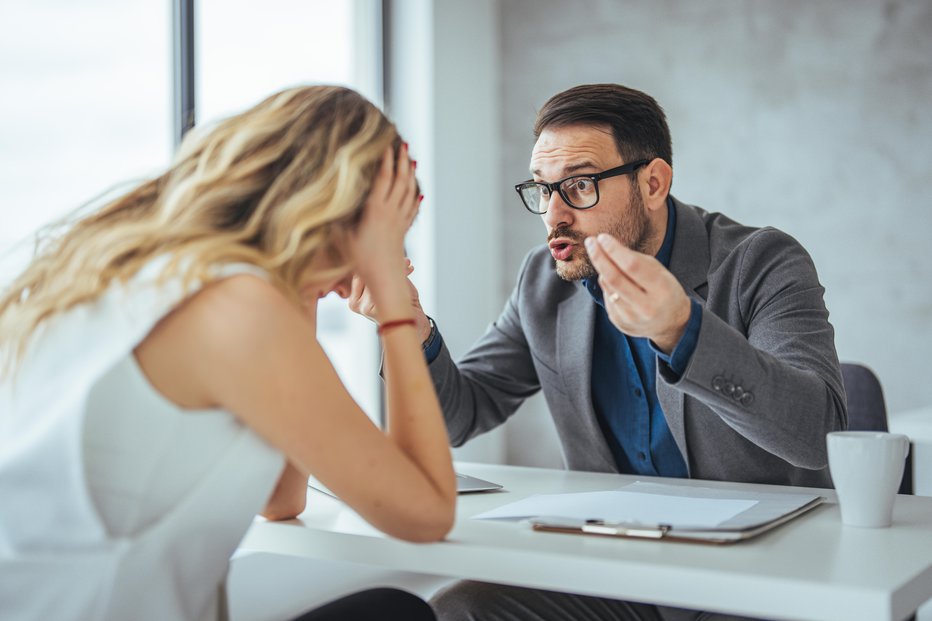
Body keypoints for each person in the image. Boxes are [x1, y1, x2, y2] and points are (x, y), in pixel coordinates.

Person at [350, 83, 847, 620]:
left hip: (762, 574)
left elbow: (815, 435)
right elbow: (456, 417)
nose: (554, 215)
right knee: (463, 607)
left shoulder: (760, 262)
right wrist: (408, 328)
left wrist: (683, 331)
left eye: (580, 185)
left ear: (652, 183)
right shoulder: (544, 280)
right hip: (618, 573)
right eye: (543, 189)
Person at [0, 85, 456, 621]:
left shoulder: (142, 270)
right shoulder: (237, 309)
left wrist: (303, 288)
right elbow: (426, 513)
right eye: (386, 234)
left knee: (386, 609)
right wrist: (395, 308)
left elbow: (281, 500)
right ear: (337, 215)